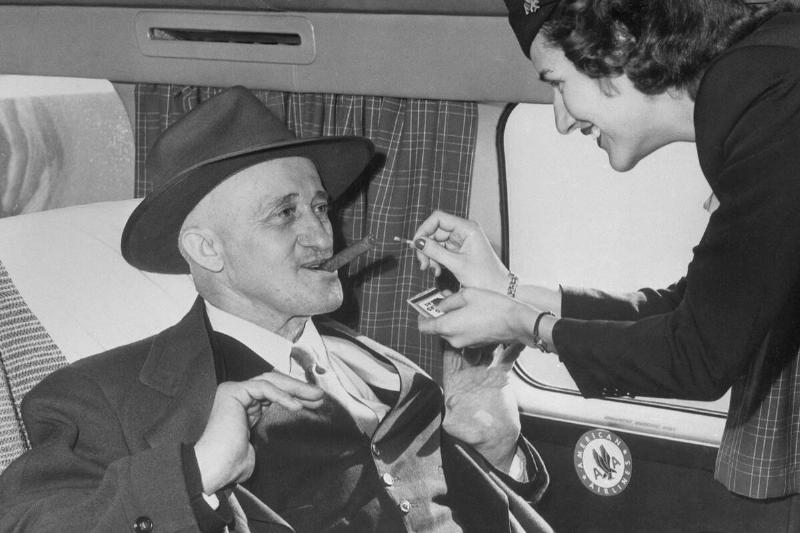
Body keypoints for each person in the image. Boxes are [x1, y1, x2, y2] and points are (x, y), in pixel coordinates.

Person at [0, 86, 553, 533]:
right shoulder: (100, 397)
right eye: (284, 214)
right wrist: (193, 476)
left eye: (319, 206)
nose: (320, 234)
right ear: (206, 249)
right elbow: (25, 522)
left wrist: (499, 448)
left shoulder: (384, 366)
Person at [408, 0, 800, 529]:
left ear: (615, 43)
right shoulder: (760, 81)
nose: (561, 118)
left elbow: (698, 357)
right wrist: (510, 291)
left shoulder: (765, 93)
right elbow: (690, 309)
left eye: (557, 81)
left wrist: (522, 325)